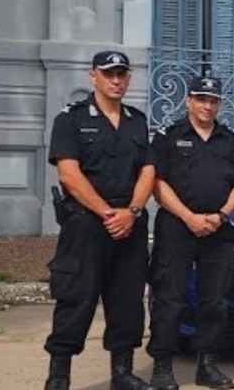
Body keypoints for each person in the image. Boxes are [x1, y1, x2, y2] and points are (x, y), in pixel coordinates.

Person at [42, 51, 154, 390]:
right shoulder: (71, 119)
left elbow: (148, 170)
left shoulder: (137, 120)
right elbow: (68, 173)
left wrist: (131, 212)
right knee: (76, 298)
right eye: (109, 74)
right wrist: (107, 213)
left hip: (129, 223)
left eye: (122, 74)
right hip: (87, 223)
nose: (116, 80)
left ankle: (122, 373)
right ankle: (59, 375)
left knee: (127, 300)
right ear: (94, 76)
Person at [147, 77, 234, 390]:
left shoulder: (228, 139)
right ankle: (163, 367)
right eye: (201, 99)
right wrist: (189, 217)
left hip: (218, 230)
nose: (207, 105)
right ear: (188, 101)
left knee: (215, 300)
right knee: (170, 298)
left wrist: (220, 216)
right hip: (177, 227)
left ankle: (207, 365)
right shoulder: (168, 136)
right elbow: (157, 183)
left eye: (213, 100)